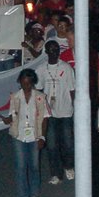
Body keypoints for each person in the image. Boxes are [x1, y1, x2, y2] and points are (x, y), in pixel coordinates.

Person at [0, 68, 49, 197]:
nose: (26, 86)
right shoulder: (15, 97)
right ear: (20, 82)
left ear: (32, 83)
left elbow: (45, 118)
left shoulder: (40, 97)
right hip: (19, 135)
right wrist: (8, 119)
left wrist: (42, 137)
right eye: (23, 83)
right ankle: (23, 196)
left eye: (28, 83)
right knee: (21, 167)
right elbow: (13, 115)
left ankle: (34, 192)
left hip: (34, 135)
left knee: (34, 166)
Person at [37, 39, 75, 185]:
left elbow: (72, 90)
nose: (54, 52)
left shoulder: (66, 68)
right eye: (51, 50)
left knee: (67, 142)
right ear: (46, 52)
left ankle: (69, 166)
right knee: (51, 144)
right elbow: (38, 90)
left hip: (65, 110)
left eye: (56, 49)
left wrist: (73, 107)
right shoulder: (41, 69)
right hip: (49, 112)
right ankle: (56, 173)